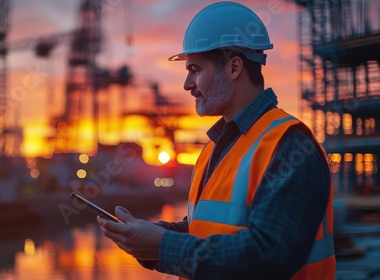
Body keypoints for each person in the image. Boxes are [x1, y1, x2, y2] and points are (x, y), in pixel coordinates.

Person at [97, 2, 336, 279]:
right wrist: (148, 238)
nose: (187, 84)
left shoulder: (291, 146)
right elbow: (204, 229)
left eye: (195, 69)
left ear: (234, 68)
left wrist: (163, 245)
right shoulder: (213, 148)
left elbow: (270, 256)